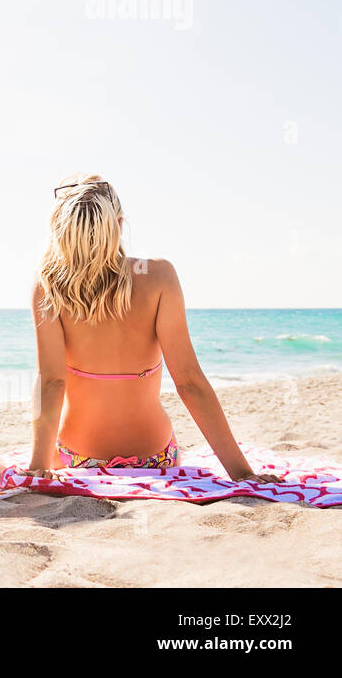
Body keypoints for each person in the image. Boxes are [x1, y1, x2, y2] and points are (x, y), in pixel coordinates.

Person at [25, 174, 279, 482]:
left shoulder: (49, 286)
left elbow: (52, 383)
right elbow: (189, 383)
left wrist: (37, 470)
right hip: (155, 458)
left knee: (57, 450)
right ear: (118, 225)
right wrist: (241, 473)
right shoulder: (159, 277)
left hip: (77, 456)